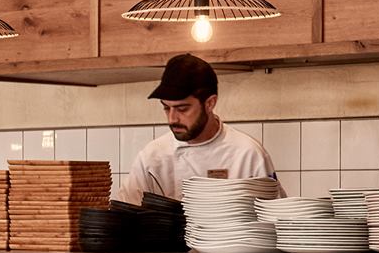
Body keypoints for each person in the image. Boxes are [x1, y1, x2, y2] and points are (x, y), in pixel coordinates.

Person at [118, 53, 276, 205]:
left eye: (182, 109)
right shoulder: (152, 157)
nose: (172, 119)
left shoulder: (248, 154)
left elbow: (275, 217)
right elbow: (124, 213)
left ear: (210, 103)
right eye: (166, 108)